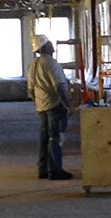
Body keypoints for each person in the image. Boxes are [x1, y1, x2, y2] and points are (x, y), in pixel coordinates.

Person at [26, 33, 73, 180]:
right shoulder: (51, 63)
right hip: (54, 105)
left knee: (44, 138)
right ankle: (55, 170)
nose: (53, 46)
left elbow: (31, 90)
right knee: (55, 138)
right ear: (46, 46)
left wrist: (37, 105)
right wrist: (68, 105)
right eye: (50, 43)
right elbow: (59, 87)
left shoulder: (33, 65)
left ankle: (43, 169)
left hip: (41, 107)